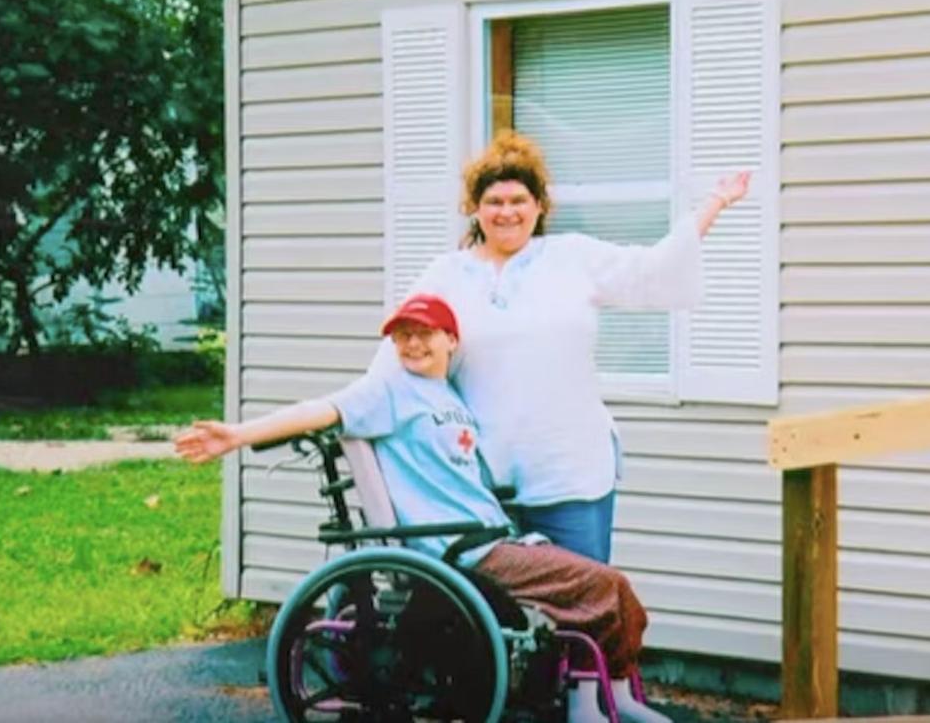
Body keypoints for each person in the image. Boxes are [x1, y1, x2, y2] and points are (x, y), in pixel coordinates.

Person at [175, 294, 670, 723]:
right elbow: (320, 410)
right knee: (607, 586)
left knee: (596, 594)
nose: (412, 345)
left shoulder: (451, 396)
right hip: (461, 549)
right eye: (403, 337)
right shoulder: (388, 389)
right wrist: (235, 436)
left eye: (424, 334)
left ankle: (604, 699)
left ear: (451, 340)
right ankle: (601, 703)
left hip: (492, 536)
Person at [370, 130, 750, 563]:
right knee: (502, 621)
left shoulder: (573, 257)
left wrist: (714, 204)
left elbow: (653, 270)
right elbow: (395, 357)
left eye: (519, 201)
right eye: (494, 202)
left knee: (583, 609)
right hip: (484, 483)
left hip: (571, 474)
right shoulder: (446, 274)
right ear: (474, 209)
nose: (507, 212)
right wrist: (345, 416)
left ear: (539, 207)